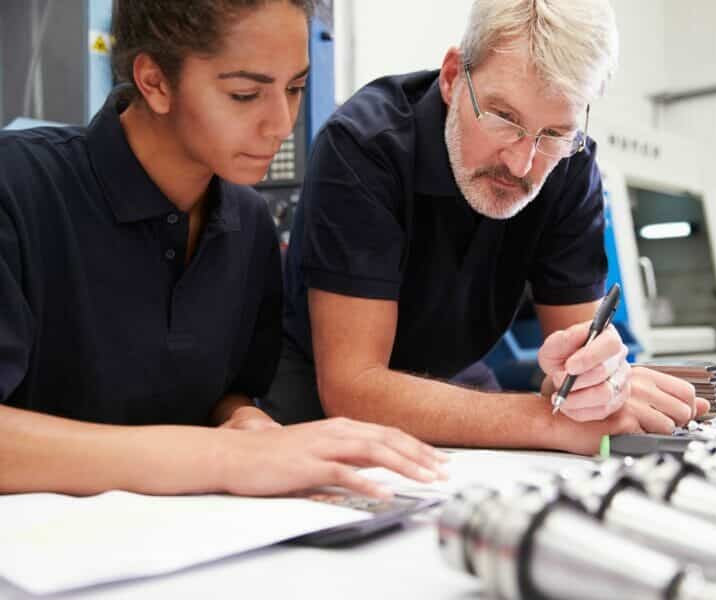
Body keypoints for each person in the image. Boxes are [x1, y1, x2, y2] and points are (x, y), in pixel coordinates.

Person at [0, 0, 445, 498]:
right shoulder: (17, 189)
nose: (280, 123)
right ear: (155, 82)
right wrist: (225, 458)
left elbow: (227, 392)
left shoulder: (248, 221)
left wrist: (247, 422)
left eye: (295, 88)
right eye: (245, 94)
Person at [264, 0, 709, 455]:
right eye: (504, 118)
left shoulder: (570, 166)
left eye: (554, 134)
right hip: (318, 394)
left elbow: (577, 371)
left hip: (454, 380)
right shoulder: (364, 148)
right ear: (453, 77)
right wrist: (549, 423)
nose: (522, 164)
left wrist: (600, 383)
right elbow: (354, 387)